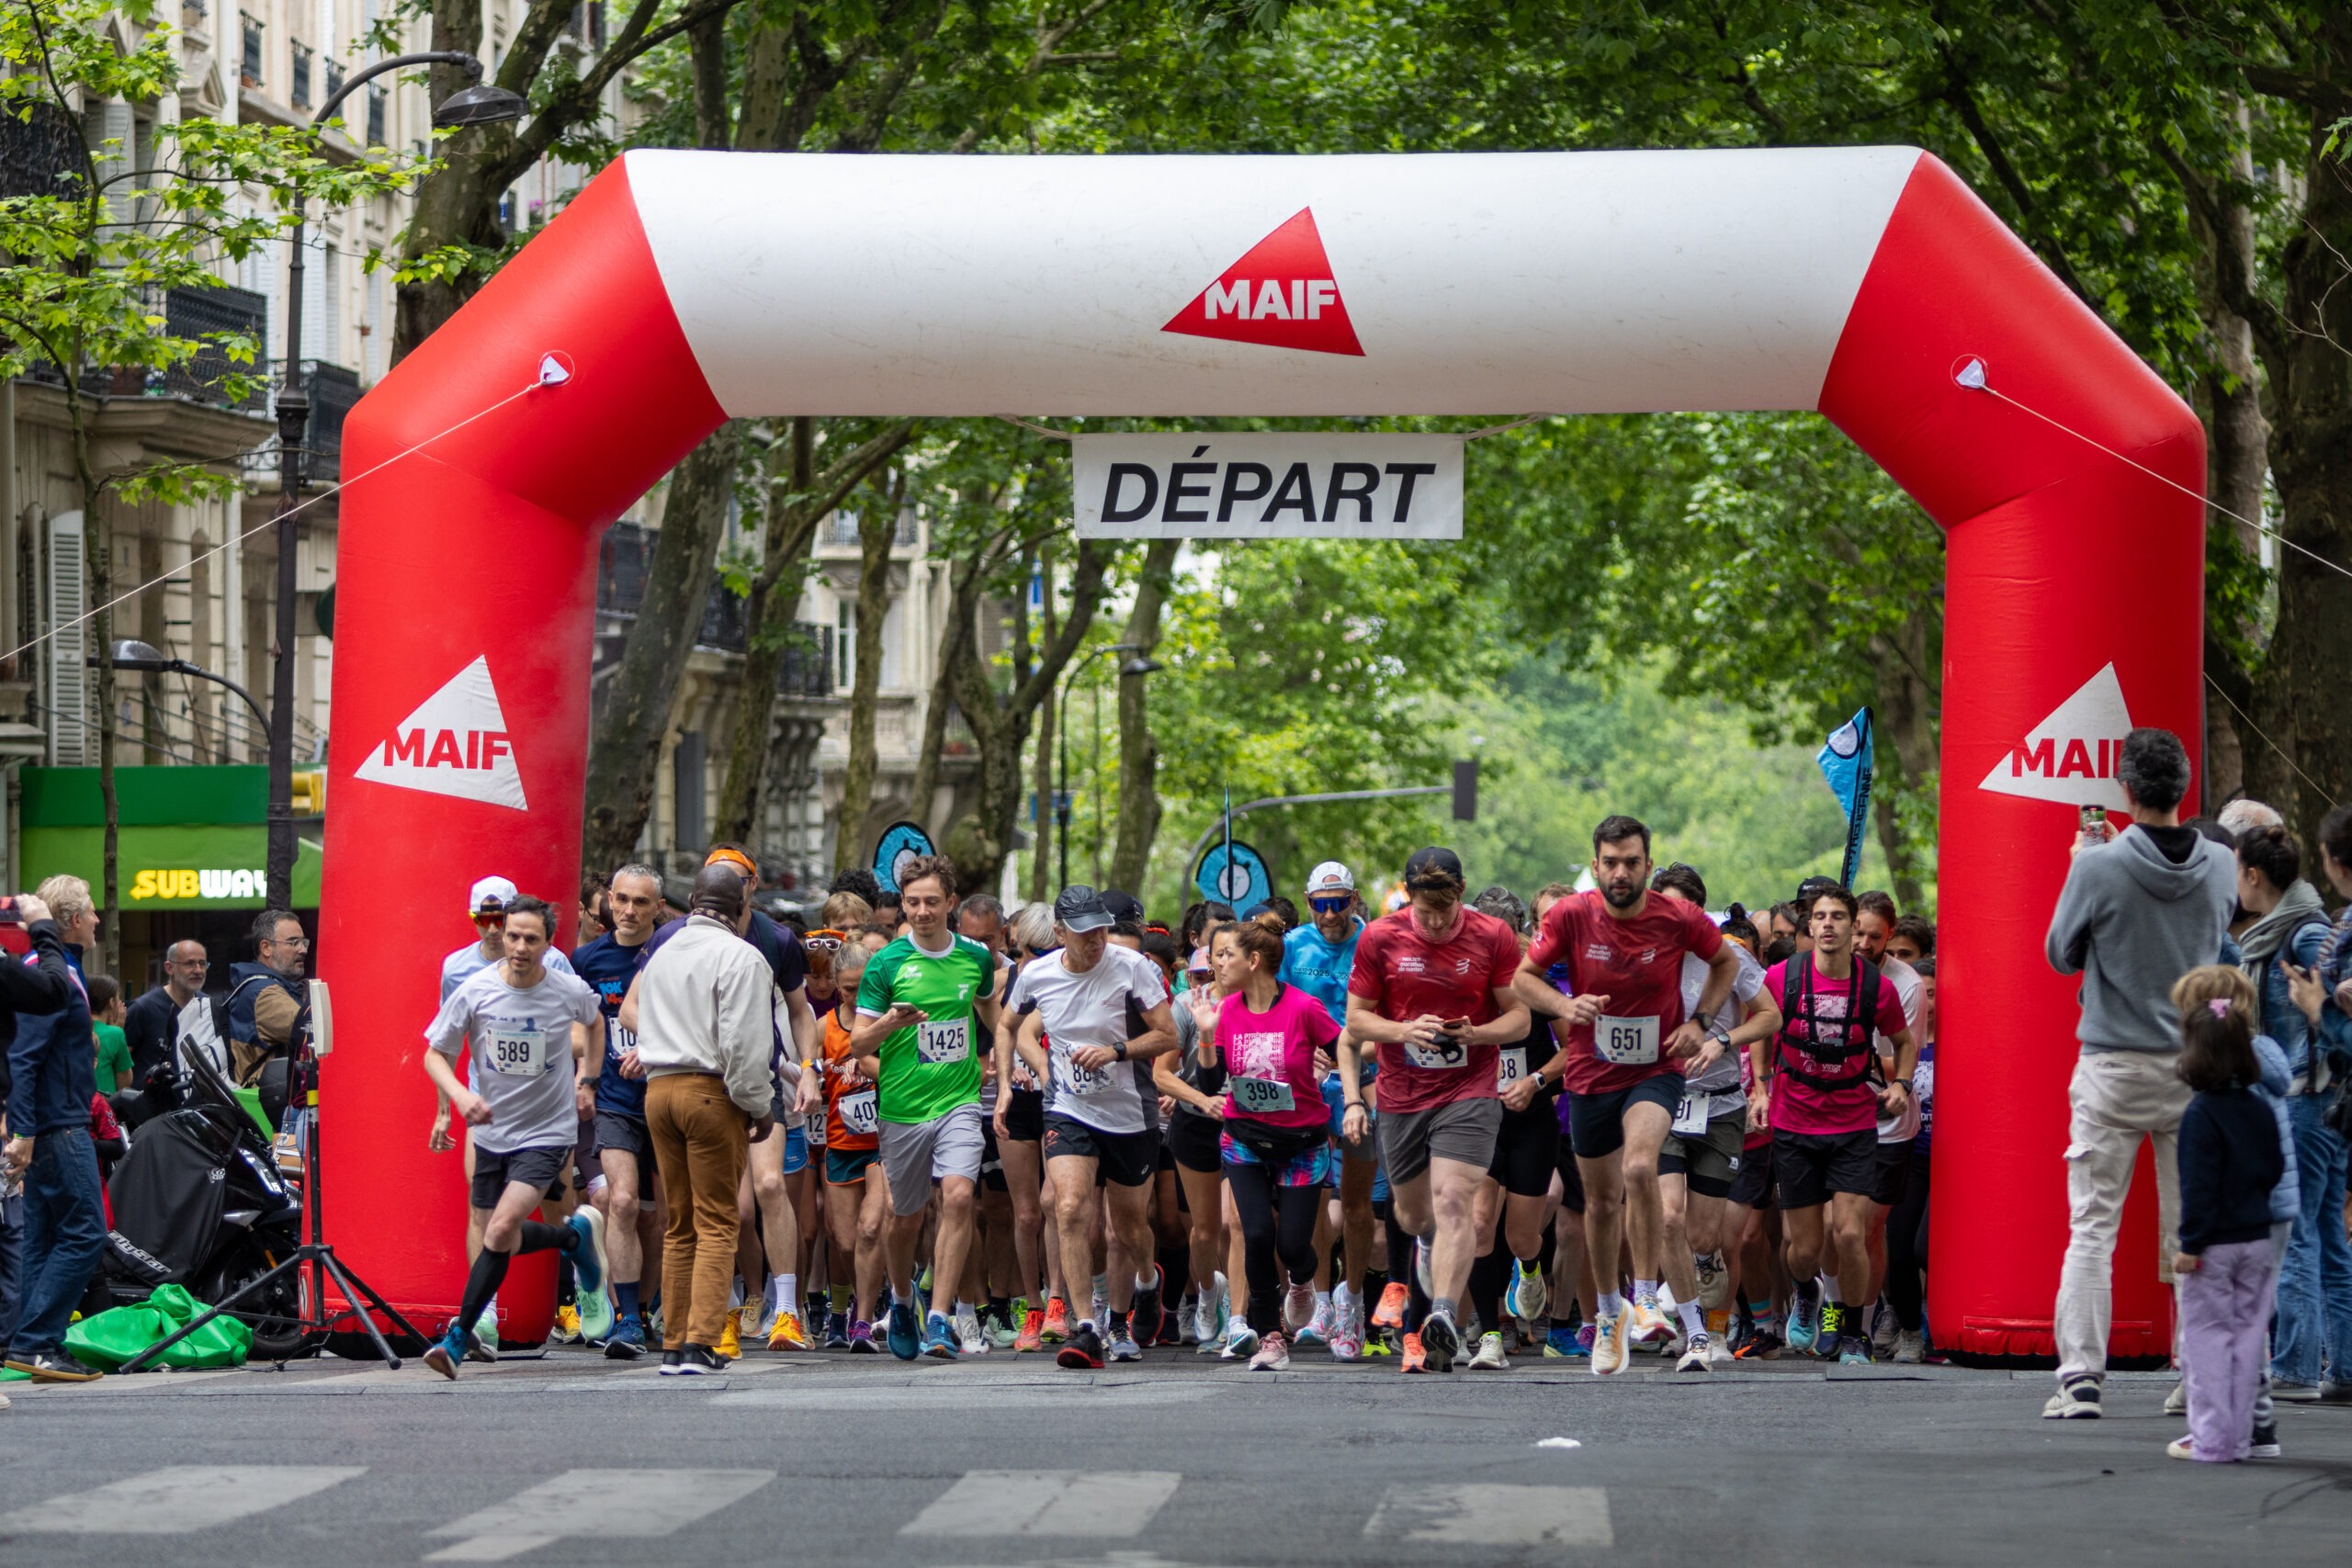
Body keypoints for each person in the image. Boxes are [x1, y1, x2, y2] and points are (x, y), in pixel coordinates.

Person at [2041, 728, 2237, 1419]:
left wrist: (2080, 862)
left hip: (2113, 1065)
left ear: (2125, 790)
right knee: (2193, 1229)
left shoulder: (2098, 864)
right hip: (2194, 1064)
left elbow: (2061, 953)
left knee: (2093, 1224)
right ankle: (2198, 1375)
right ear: (2184, 788)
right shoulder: (2221, 864)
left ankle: (2081, 1378)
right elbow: (2223, 960)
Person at [1514, 818, 1742, 1376]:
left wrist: (1703, 1021)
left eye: (1632, 862)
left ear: (1647, 863)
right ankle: (1611, 1312)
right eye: (1610, 863)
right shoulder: (1571, 915)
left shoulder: (1677, 917)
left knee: (1640, 1167)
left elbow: (1726, 962)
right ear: (1596, 866)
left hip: (1656, 1069)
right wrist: (1566, 1008)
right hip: (1591, 1074)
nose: (1621, 872)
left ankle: (1644, 1299)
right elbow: (1524, 977)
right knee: (1598, 1203)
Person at [1342, 846, 1530, 1374]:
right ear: (1408, 899)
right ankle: (1430, 1249)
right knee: (1414, 1215)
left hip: (1469, 1090)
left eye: (1444, 911)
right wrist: (1404, 1031)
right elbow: (1356, 1022)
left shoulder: (1492, 937)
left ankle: (1443, 1315)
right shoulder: (1380, 937)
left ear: (1462, 894)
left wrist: (1478, 1033)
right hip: (1402, 1094)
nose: (1435, 921)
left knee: (1455, 1200)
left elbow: (1519, 1020)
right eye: (1424, 911)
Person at [419, 896, 608, 1380]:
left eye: (532, 939)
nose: (521, 947)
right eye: (513, 936)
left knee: (500, 1230)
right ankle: (574, 1237)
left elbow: (596, 1020)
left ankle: (458, 1338)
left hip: (547, 1130)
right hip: (491, 1131)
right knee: (490, 1234)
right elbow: (434, 1054)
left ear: (548, 945)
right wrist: (460, 1099)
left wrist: (587, 1080)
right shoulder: (476, 989)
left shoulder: (566, 989)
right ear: (502, 935)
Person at [1008, 886, 1176, 1370]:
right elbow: (1009, 1026)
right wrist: (1031, 1072)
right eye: (1085, 933)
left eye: (1102, 928)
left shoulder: (1133, 968)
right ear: (1060, 933)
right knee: (1069, 1207)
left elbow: (1166, 1034)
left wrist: (1116, 1051)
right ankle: (1087, 1327)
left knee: (1127, 1227)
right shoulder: (1037, 975)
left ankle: (1143, 1285)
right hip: (1069, 1108)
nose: (1097, 939)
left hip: (1130, 1113)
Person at [1749, 885, 1913, 1366]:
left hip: (1853, 1124)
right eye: (1819, 917)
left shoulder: (1873, 986)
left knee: (1849, 1234)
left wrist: (1900, 1084)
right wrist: (1761, 1087)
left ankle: (1853, 1332)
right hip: (1796, 1123)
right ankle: (1806, 1290)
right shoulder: (1784, 977)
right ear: (1810, 926)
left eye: (1837, 917)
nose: (1827, 925)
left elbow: (1903, 1041)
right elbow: (1762, 1024)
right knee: (1805, 1248)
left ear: (1853, 927)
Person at [852, 854, 1000, 1361]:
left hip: (958, 1099)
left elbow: (988, 1006)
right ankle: (901, 1298)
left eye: (931, 902)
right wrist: (892, 1024)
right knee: (905, 1219)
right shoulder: (886, 962)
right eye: (912, 902)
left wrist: (996, 1049)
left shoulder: (975, 958)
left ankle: (939, 1318)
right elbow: (855, 1044)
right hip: (902, 1108)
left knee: (959, 1198)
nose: (921, 912)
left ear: (950, 904)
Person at [634, 866, 778, 1373]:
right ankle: (701, 1341)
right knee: (718, 1221)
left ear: (692, 902)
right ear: (742, 909)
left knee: (679, 1225)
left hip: (658, 1089)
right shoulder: (741, 955)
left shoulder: (660, 953)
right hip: (710, 1093)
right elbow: (744, 1045)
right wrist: (758, 1106)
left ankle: (674, 1343)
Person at [1653, 863, 1774, 1370]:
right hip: (1660, 1101)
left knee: (1705, 1236)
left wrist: (1723, 1039)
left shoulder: (1729, 957)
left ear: (1698, 912)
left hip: (1720, 1104)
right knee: (1669, 1216)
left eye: (1681, 907)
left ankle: (1701, 1275)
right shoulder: (1641, 958)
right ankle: (1695, 1330)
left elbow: (1770, 1015)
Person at [2165, 967, 2288, 1461]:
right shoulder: (2259, 1106)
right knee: (2247, 1338)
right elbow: (2275, 1166)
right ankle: (2243, 1436)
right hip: (2257, 1239)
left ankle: (2213, 1439)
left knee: (2209, 1341)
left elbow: (2197, 1187)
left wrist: (2190, 1245)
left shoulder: (2200, 1114)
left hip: (2212, 1246)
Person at [1212, 912, 1343, 1371]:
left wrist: (1332, 1067)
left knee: (1291, 1247)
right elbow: (1220, 1075)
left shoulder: (1304, 1008)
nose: (1219, 964)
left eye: (1227, 955)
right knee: (1255, 1234)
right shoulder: (1226, 1011)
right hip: (1244, 1138)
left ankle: (1304, 1279)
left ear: (1253, 961)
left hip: (1302, 1142)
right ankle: (1270, 1337)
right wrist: (1206, 1033)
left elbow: (1344, 1043)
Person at [1, 884, 97, 1383]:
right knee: (86, 1233)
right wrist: (26, 1130)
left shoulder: (62, 969)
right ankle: (38, 1343)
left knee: (42, 1236)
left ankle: (27, 1342)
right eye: (93, 911)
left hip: (51, 1120)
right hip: (57, 1124)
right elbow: (25, 1056)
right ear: (74, 919)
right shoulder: (49, 971)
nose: (99, 919)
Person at [1281, 862, 1375, 1359]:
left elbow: (1389, 1018)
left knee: (1357, 1204)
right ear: (1308, 900)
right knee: (1314, 1198)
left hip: (1365, 1081)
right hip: (1308, 1084)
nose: (1331, 913)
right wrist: (1304, 1050)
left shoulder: (1374, 943)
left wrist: (1356, 1056)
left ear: (1355, 899)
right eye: (1321, 903)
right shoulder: (1294, 946)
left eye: (1340, 901)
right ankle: (1320, 1299)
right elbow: (1273, 1007)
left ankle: (1353, 1303)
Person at [570, 863, 664, 1359]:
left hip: (669, 1098)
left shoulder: (669, 954)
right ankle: (626, 1318)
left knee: (661, 1217)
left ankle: (645, 1308)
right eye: (621, 900)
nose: (628, 911)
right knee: (623, 1203)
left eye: (640, 903)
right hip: (614, 1101)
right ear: (609, 899)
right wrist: (586, 1072)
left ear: (658, 908)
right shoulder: (585, 959)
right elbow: (569, 1024)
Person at [2278, 804, 2352, 1404]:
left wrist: (2318, 1006)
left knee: (2303, 1228)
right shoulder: (2333, 926)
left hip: (2320, 1092)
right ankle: (2342, 1363)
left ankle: (2298, 1362)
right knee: (2329, 1232)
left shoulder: (2327, 933)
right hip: (2333, 1101)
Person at [1156, 931, 1234, 1354]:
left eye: (1231, 955)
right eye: (1216, 957)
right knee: (1204, 1231)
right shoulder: (1185, 1006)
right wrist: (1201, 1099)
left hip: (1248, 1123)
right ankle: (1207, 1294)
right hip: (1195, 1122)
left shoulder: (1266, 1001)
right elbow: (1162, 1074)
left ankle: (1239, 1315)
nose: (1224, 963)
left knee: (1234, 1224)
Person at [819, 942, 890, 1351]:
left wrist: (870, 1066)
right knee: (844, 1240)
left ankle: (862, 1321)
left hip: (882, 1141)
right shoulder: (822, 1026)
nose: (856, 995)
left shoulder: (887, 1022)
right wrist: (811, 1079)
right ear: (835, 986)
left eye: (863, 986)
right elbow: (804, 1068)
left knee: (868, 1230)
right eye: (848, 988)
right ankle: (859, 1298)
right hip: (841, 1141)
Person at [994, 899, 1056, 1349]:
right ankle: (1032, 1306)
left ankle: (1058, 1301)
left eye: (1041, 952)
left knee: (1056, 1202)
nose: (1030, 962)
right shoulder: (1004, 981)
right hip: (1018, 1103)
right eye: (1023, 953)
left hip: (1060, 1101)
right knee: (1027, 1211)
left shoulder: (1069, 977)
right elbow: (997, 1030)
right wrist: (1004, 1077)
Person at [229, 909, 311, 1087]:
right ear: (266, 948)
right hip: (268, 1108)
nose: (303, 950)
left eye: (304, 942)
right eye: (293, 942)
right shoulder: (264, 993)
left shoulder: (282, 987)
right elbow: (313, 1032)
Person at [121, 941, 205, 1085]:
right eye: (189, 964)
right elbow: (120, 1063)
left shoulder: (208, 1007)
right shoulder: (143, 1009)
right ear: (169, 968)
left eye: (202, 964)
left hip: (195, 1102)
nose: (198, 970)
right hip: (151, 1103)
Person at [84, 976, 130, 1094]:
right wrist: (119, 1030)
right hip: (106, 1106)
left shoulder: (76, 1029)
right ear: (112, 1003)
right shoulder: (115, 1033)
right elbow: (125, 1082)